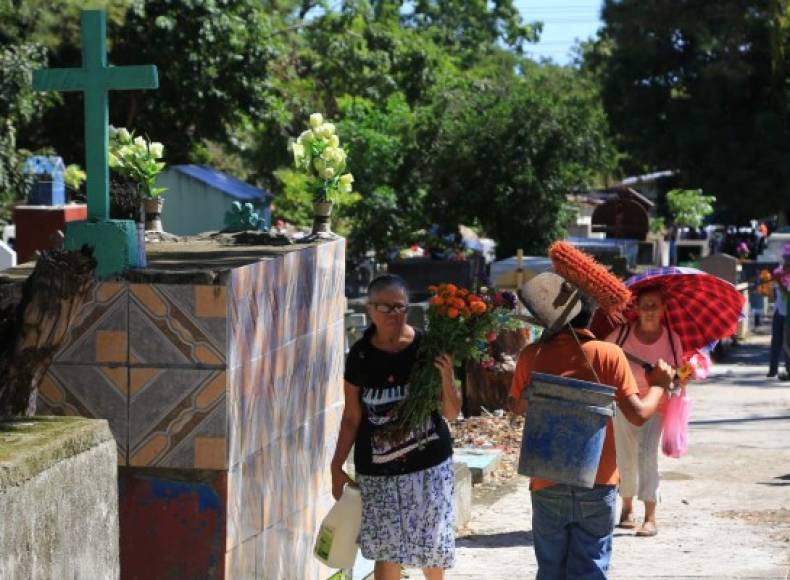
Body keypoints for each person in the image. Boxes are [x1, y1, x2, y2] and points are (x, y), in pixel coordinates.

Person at [510, 279, 673, 579]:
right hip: (597, 481)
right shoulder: (609, 354)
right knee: (590, 570)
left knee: (550, 570)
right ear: (590, 316)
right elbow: (638, 415)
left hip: (546, 480)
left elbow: (518, 409)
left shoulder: (531, 355)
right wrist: (660, 387)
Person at [330, 275, 462, 580]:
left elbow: (451, 413)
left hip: (429, 466)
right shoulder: (360, 356)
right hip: (378, 472)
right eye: (385, 307)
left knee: (431, 544)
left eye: (399, 307)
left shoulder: (428, 348)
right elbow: (352, 417)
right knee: (386, 549)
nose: (393, 314)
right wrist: (336, 465)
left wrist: (446, 376)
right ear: (370, 309)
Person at [605, 287, 684, 537]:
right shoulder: (620, 335)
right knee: (625, 455)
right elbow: (603, 361)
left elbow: (679, 376)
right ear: (636, 309)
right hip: (624, 402)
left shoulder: (672, 340)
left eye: (655, 305)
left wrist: (686, 374)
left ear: (663, 309)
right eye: (645, 305)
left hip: (657, 404)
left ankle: (650, 516)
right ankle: (627, 508)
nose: (650, 311)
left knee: (646, 453)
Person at [769, 246, 790, 380]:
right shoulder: (778, 271)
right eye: (785, 257)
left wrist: (780, 282)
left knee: (787, 343)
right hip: (779, 311)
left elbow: (788, 294)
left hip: (788, 313)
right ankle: (773, 369)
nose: (786, 260)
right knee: (776, 341)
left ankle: (788, 369)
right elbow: (774, 292)